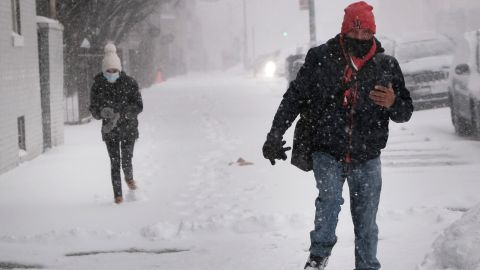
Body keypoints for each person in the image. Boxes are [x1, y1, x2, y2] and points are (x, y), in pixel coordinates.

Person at [262, 2, 413, 269]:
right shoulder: (321, 58)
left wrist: (393, 102)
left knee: (366, 220)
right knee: (329, 202)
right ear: (344, 32)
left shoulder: (386, 64)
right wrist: (275, 133)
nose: (360, 38)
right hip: (327, 150)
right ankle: (318, 257)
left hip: (367, 156)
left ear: (373, 32)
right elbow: (294, 97)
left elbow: (405, 112)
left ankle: (367, 265)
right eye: (354, 33)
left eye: (365, 33)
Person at [89, 43, 143, 204]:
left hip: (129, 129)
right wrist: (101, 112)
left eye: (114, 70)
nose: (111, 73)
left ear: (119, 69)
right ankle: (118, 196)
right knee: (114, 163)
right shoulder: (98, 85)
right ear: (104, 71)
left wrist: (124, 112)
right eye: (108, 71)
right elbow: (93, 108)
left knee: (127, 160)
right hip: (110, 130)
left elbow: (139, 105)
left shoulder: (130, 83)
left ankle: (129, 177)